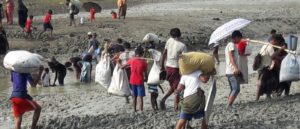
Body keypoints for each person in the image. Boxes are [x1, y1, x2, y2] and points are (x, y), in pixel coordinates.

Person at [160, 28, 187, 111]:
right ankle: (176, 107)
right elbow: (184, 60)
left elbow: (164, 53)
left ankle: (163, 100)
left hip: (168, 67)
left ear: (171, 35)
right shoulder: (182, 46)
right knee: (177, 89)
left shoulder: (169, 41)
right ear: (180, 35)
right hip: (176, 68)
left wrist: (162, 66)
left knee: (173, 87)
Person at [121, 47, 147, 112]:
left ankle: (134, 110)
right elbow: (145, 72)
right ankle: (141, 110)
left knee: (134, 96)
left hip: (132, 80)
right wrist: (146, 78)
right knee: (140, 97)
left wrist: (118, 62)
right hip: (140, 81)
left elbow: (122, 67)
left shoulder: (131, 60)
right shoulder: (144, 62)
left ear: (135, 54)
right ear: (142, 54)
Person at [225, 30, 242, 107]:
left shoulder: (229, 45)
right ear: (236, 37)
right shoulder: (231, 45)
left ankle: (228, 104)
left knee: (233, 89)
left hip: (229, 70)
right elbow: (231, 57)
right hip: (232, 71)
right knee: (236, 89)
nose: (240, 40)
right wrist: (236, 68)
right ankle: (229, 105)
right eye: (239, 38)